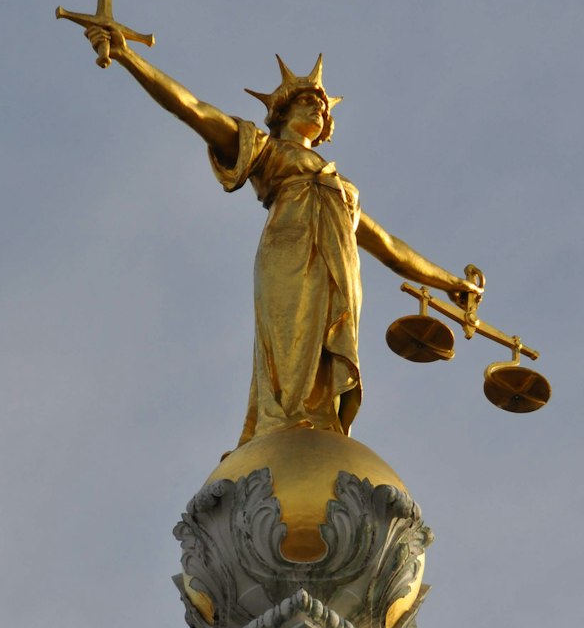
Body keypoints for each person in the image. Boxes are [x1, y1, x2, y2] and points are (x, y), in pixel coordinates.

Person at [83, 27, 479, 446]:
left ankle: (320, 421)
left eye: (324, 108)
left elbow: (390, 248)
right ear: (283, 111)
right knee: (290, 347)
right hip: (289, 257)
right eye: (308, 101)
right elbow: (193, 109)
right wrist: (128, 57)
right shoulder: (267, 150)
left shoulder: (341, 186)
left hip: (340, 272)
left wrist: (453, 283)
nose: (319, 110)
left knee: (326, 352)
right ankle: (281, 427)